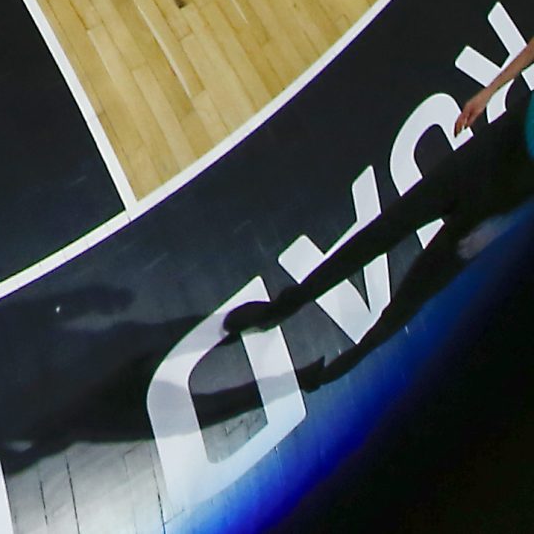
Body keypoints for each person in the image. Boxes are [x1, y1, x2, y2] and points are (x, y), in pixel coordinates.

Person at [222, 27, 534, 354]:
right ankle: (281, 308)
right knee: (385, 228)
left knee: (419, 286)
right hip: (499, 141)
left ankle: (355, 356)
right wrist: (489, 91)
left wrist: (503, 223)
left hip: (513, 189)